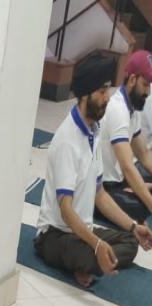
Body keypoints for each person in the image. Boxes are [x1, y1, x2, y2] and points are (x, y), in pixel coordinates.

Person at [35, 54, 152, 288]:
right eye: (101, 91)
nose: (107, 97)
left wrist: (133, 226)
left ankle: (88, 262)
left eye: (107, 90)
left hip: (81, 231)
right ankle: (87, 261)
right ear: (85, 94)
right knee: (94, 253)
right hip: (55, 235)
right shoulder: (68, 140)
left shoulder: (94, 130)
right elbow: (66, 211)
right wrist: (96, 244)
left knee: (130, 242)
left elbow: (100, 194)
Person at [99, 50, 152, 224]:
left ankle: (131, 190)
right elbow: (127, 167)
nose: (148, 91)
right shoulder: (118, 110)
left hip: (118, 181)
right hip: (102, 189)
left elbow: (144, 155)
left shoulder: (132, 109)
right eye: (145, 84)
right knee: (142, 207)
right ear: (132, 80)